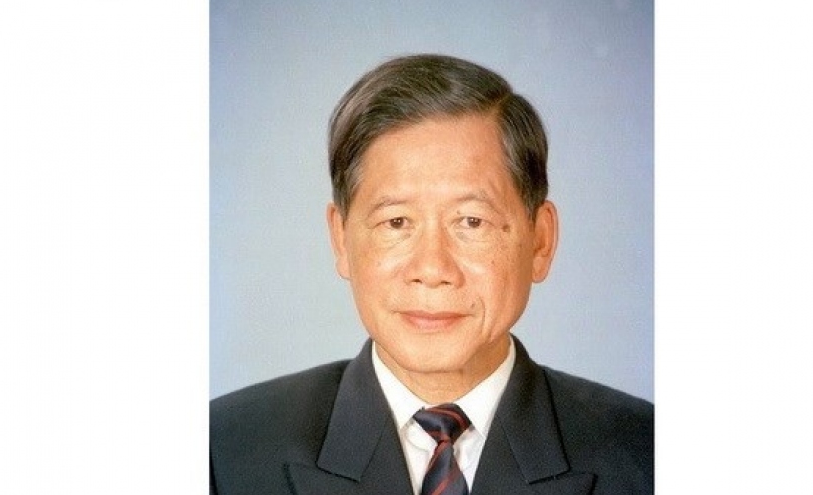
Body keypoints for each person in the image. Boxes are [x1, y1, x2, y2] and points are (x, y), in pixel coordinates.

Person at [210, 54, 653, 495]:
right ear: (341, 239)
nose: (432, 269)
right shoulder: (222, 454)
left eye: (471, 222)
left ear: (541, 240)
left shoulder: (648, 457)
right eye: (396, 223)